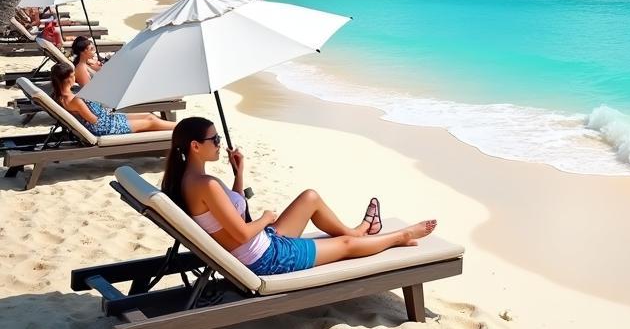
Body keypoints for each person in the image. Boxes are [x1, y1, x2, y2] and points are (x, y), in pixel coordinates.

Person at [162, 116, 437, 276]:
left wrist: (239, 174)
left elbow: (226, 216)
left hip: (262, 244)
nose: (220, 144)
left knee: (310, 198)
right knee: (344, 247)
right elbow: (242, 234)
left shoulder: (189, 181)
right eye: (215, 140)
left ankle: (358, 230)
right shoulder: (205, 184)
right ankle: (399, 236)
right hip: (265, 257)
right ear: (195, 146)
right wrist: (266, 218)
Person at [49, 60, 175, 135]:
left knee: (149, 115)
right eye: (73, 75)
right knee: (151, 122)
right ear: (68, 78)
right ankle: (181, 128)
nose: (75, 77)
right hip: (105, 126)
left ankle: (177, 126)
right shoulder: (75, 100)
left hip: (106, 118)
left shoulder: (60, 96)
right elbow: (94, 120)